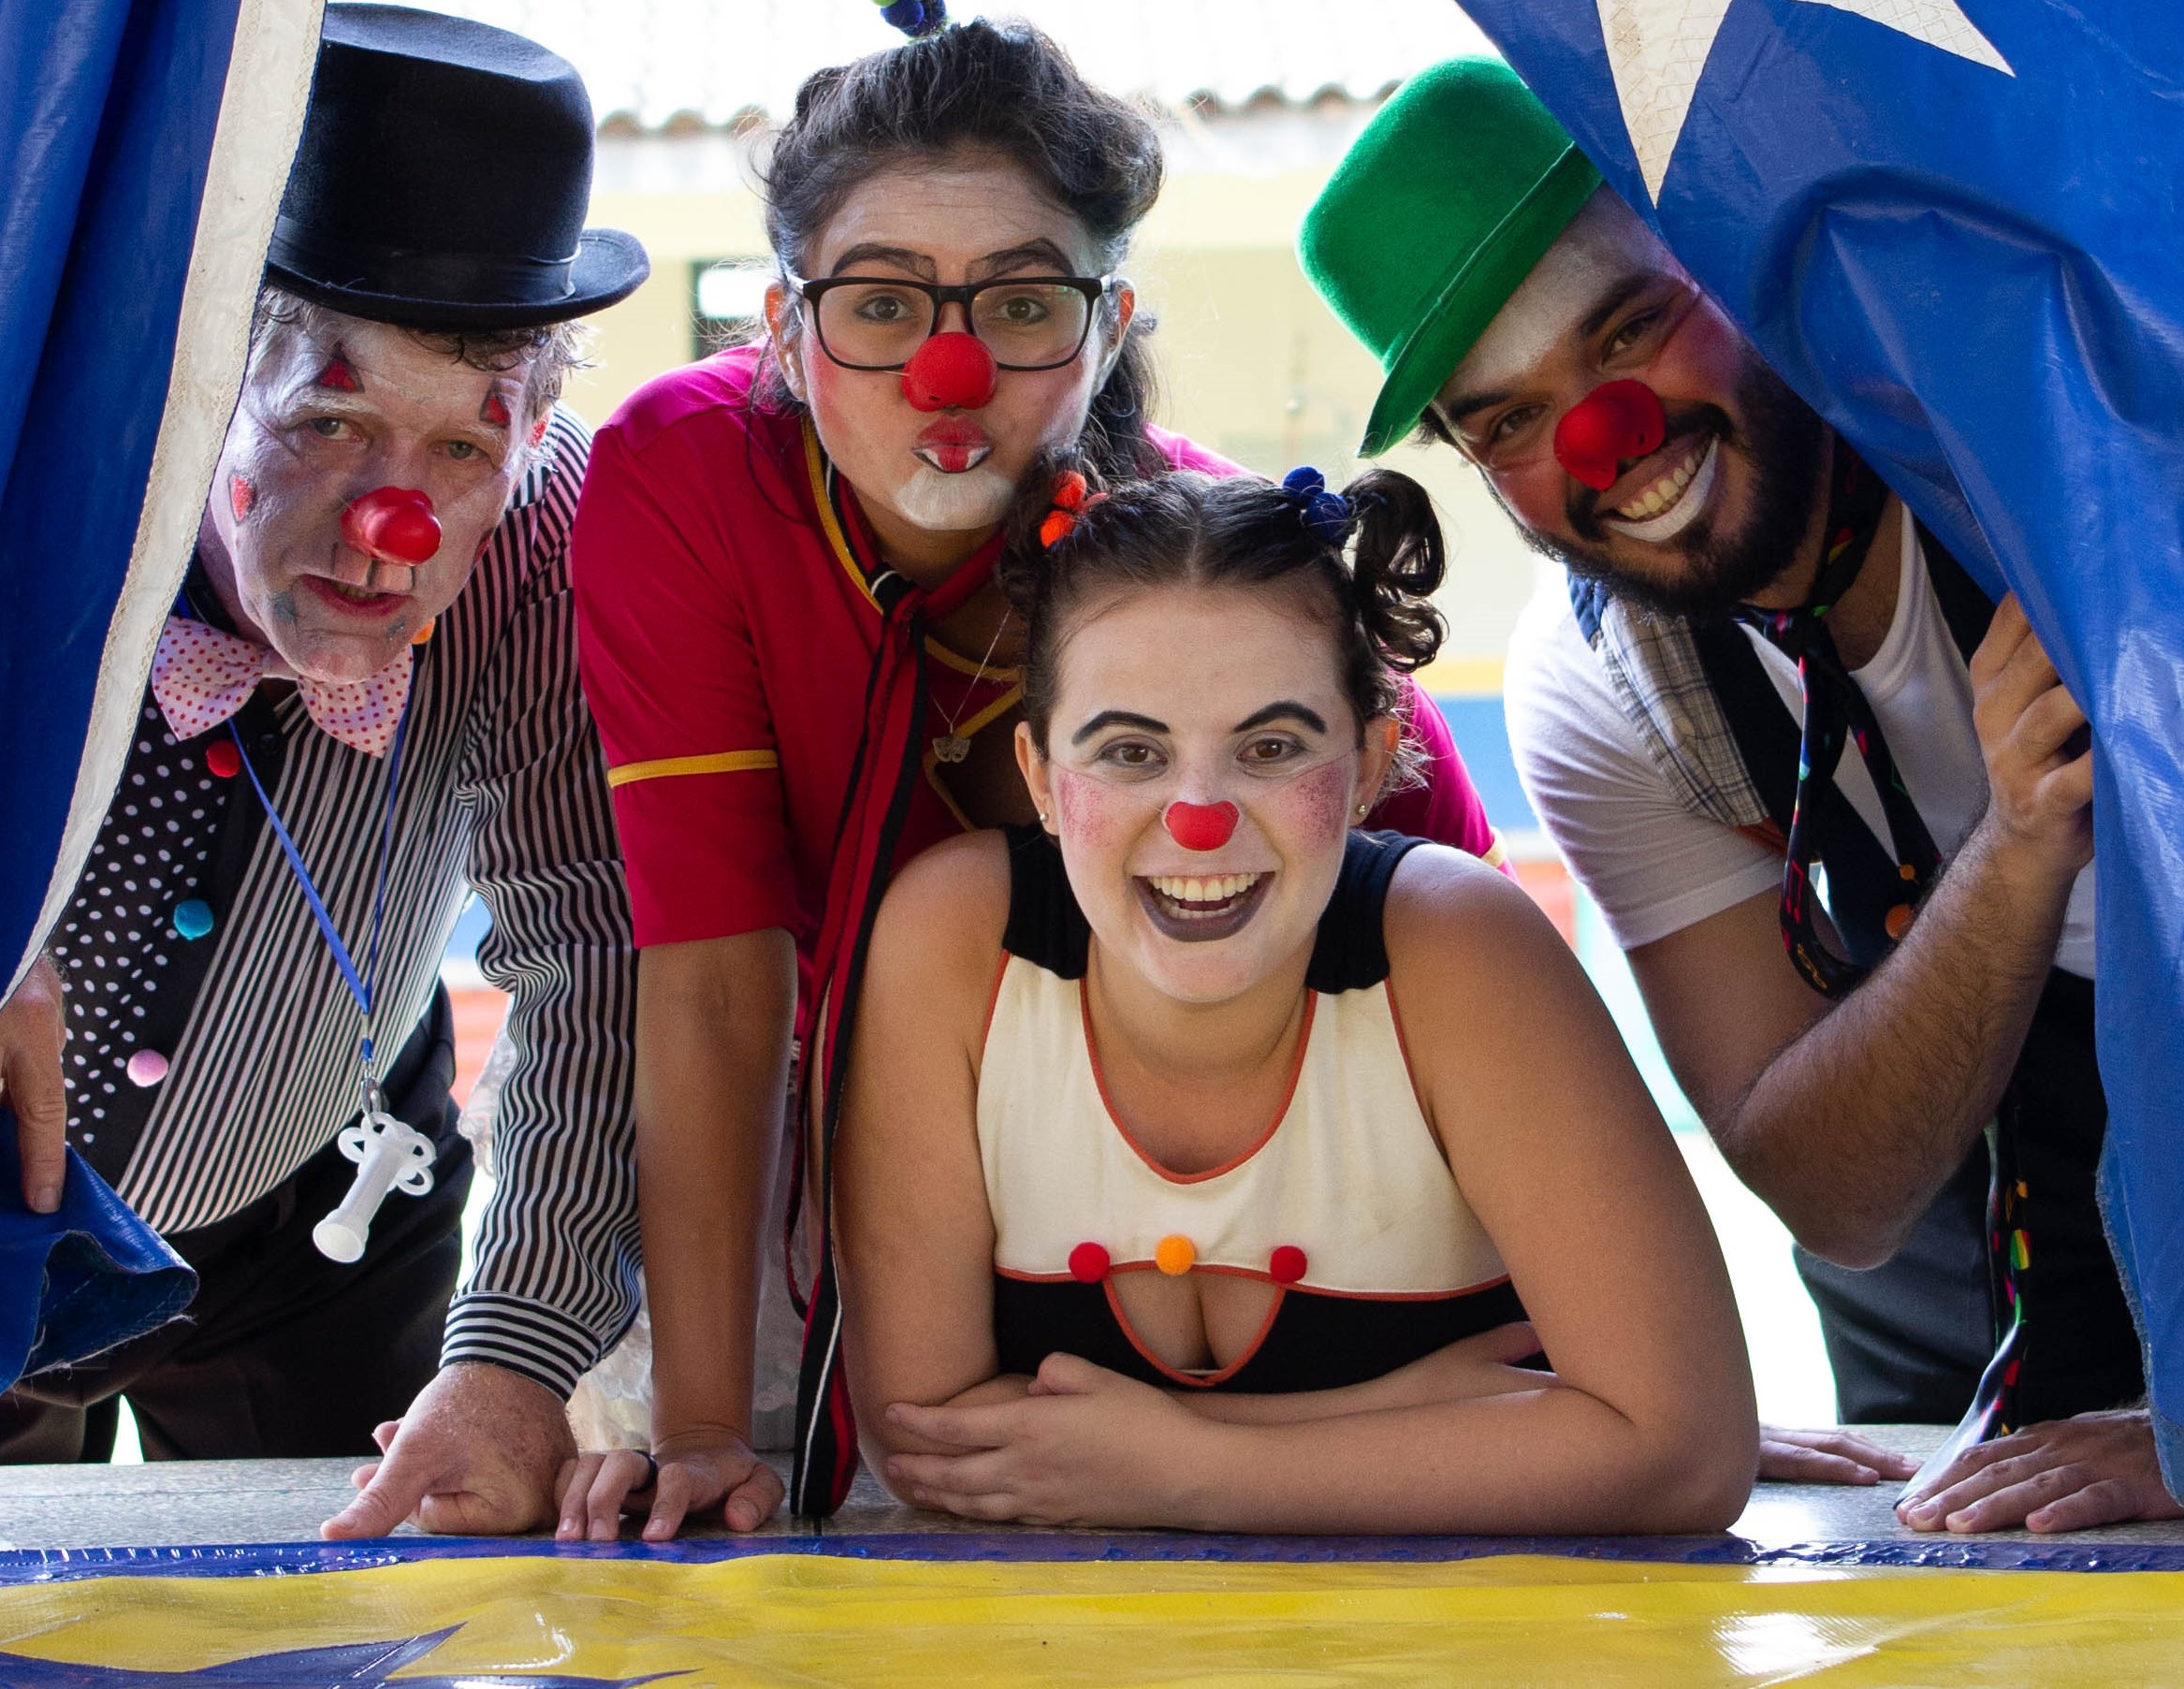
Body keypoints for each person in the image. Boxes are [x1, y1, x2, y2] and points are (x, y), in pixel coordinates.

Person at [567, 18, 1506, 1536]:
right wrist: (698, 1424)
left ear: (1109, 315)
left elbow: (1454, 945)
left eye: (1018, 302)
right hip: (894, 1125)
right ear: (784, 327)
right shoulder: (681, 474)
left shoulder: (1183, 564)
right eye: (877, 302)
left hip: (1227, 1110)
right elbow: (718, 983)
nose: (947, 368)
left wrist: (1596, 1351)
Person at [1299, 58, 2177, 1534]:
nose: (1605, 440)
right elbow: (1833, 1194)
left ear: (1745, 255)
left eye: (1633, 326)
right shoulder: (1607, 692)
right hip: (2029, 1228)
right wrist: (2016, 853)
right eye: (1508, 422)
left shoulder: (2058, 465)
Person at [0, 6, 653, 1539]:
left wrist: (519, 1353)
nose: (395, 526)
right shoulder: (37, 428)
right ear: (197, 372)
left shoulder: (552, 533)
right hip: (4, 1203)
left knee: (377, 1615)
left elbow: (588, 951)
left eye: (461, 451)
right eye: (329, 423)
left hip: (328, 1210)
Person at [832, 463, 1757, 1532]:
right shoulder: (958, 946)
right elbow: (930, 1436)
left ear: (1368, 761)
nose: (1199, 816)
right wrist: (1409, 1416)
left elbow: (1685, 1450)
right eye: (1130, 751)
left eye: (1270, 747)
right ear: (1041, 776)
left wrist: (1185, 1470)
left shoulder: (1459, 954)